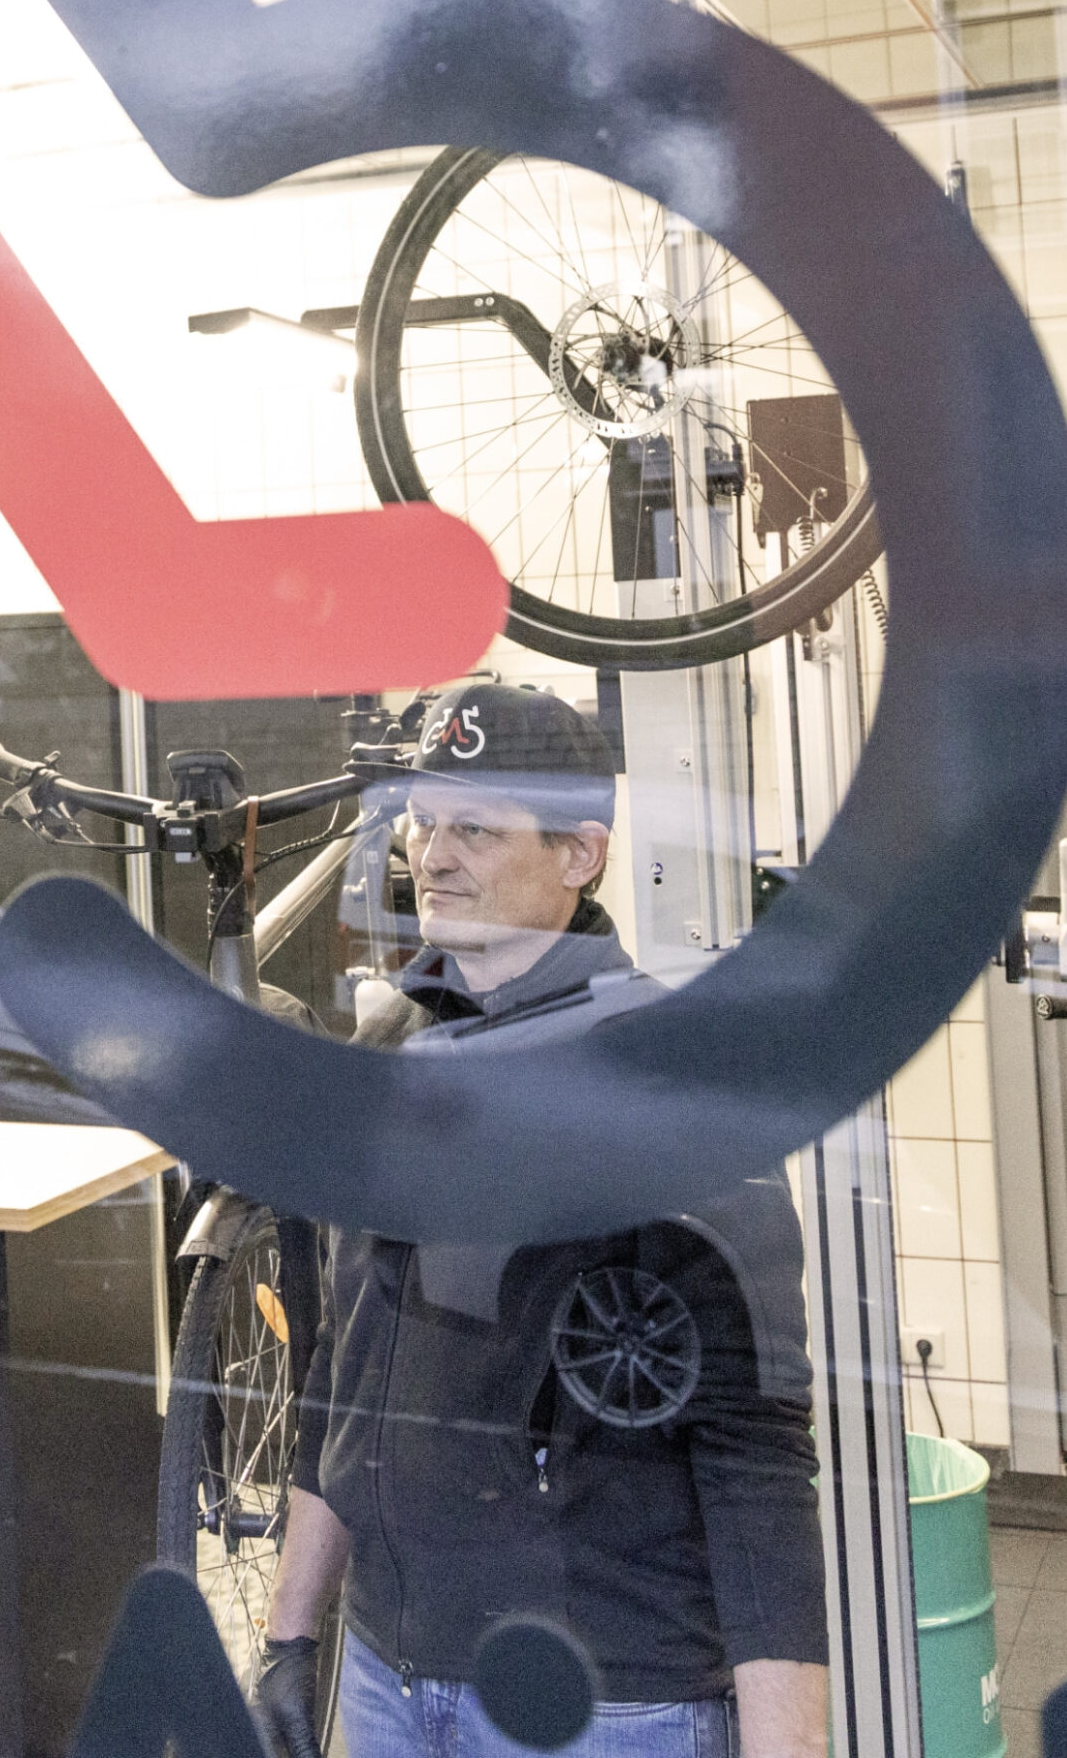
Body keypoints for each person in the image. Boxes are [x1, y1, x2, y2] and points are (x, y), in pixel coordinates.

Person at [256, 684, 828, 1758]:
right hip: (388, 1676)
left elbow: (754, 1452)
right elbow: (343, 1368)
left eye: (475, 824)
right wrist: (293, 1637)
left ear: (580, 855)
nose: (433, 853)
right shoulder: (387, 1055)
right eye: (425, 820)